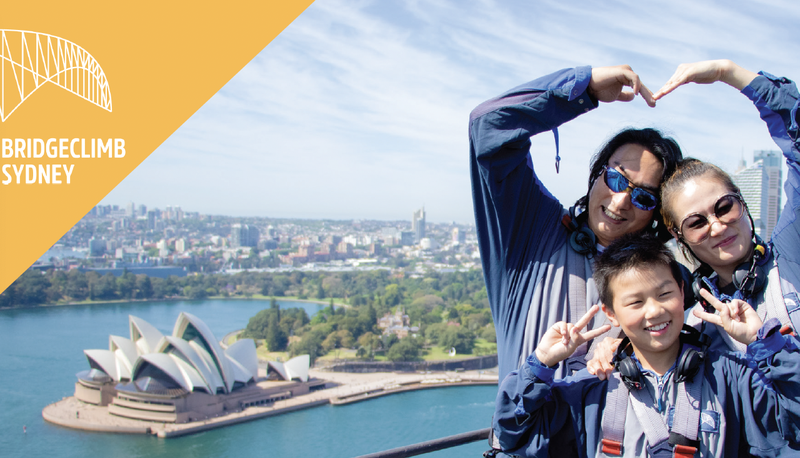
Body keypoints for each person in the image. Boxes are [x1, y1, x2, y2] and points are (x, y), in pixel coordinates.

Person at [493, 233, 800, 457]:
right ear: (611, 313)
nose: (654, 311)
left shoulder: (731, 380)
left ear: (682, 292)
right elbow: (513, 435)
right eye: (636, 302)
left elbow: (793, 419)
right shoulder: (590, 390)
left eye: (664, 294)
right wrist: (541, 364)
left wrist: (764, 342)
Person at [469, 65, 685, 379]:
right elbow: (487, 125)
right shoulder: (534, 231)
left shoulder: (668, 285)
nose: (620, 201)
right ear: (597, 172)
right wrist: (582, 89)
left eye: (643, 197)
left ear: (657, 213)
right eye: (615, 178)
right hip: (522, 411)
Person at [656, 60, 800, 353]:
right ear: (678, 236)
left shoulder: (791, 251)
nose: (718, 227)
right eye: (696, 223)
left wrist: (729, 73)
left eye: (724, 207)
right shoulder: (697, 326)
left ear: (741, 200)